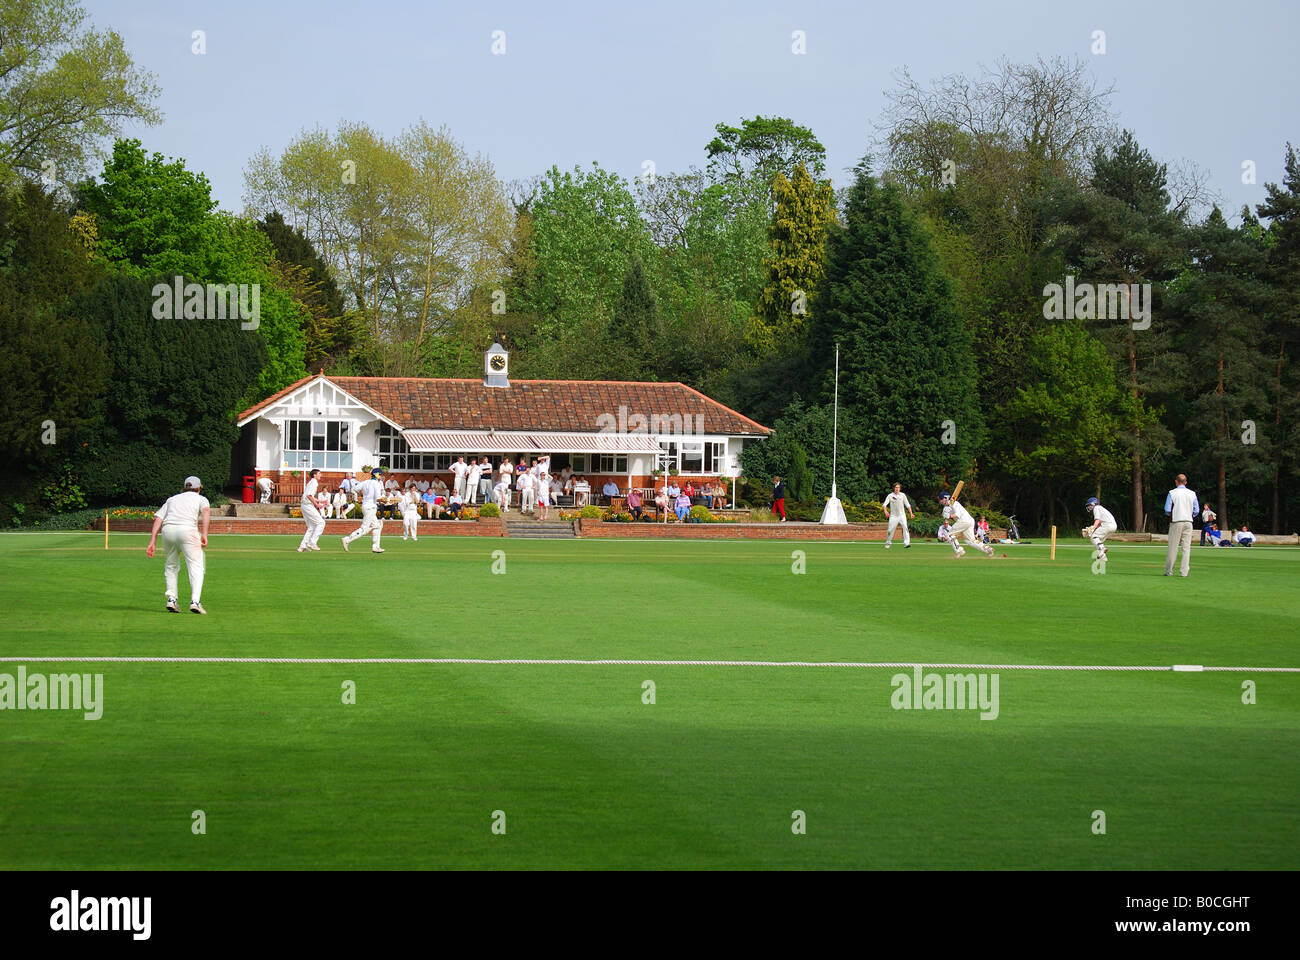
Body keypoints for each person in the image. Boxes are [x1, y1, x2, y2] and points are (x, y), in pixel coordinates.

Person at [147, 475, 211, 614]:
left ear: (185, 487)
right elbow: (206, 511)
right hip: (187, 531)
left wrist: (152, 541)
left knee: (171, 565)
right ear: (199, 488)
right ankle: (195, 602)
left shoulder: (172, 499)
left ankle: (172, 599)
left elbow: (159, 518)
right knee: (196, 566)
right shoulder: (201, 499)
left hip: (168, 531)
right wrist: (205, 534)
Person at [342, 467, 386, 554]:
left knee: (377, 525)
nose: (381, 476)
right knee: (364, 528)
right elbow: (378, 498)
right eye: (380, 474)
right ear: (377, 475)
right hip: (371, 508)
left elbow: (353, 489)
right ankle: (347, 539)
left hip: (366, 506)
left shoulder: (366, 482)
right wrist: (385, 500)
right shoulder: (377, 484)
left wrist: (362, 494)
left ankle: (375, 547)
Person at [939, 490, 994, 558]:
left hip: (963, 520)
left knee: (950, 535)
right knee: (970, 541)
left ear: (946, 498)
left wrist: (949, 516)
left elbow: (957, 515)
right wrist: (946, 515)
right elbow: (947, 515)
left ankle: (959, 550)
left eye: (941, 499)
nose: (940, 501)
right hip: (969, 521)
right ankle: (987, 549)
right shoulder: (947, 507)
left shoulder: (955, 503)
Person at [1164, 474, 1199, 577]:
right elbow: (1196, 510)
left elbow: (1167, 509)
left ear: (1176, 481)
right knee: (1186, 548)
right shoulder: (1192, 494)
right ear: (1186, 482)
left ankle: (1169, 571)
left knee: (1173, 547)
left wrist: (1170, 514)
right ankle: (1184, 572)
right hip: (1188, 521)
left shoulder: (1172, 493)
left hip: (1176, 521)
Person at [298, 468, 328, 552]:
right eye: (319, 473)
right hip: (307, 506)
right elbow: (309, 496)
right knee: (321, 523)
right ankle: (312, 542)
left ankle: (302, 546)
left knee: (311, 527)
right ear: (314, 475)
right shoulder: (314, 482)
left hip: (305, 505)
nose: (320, 475)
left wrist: (320, 501)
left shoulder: (312, 482)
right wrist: (317, 504)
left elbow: (310, 496)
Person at [1083, 497, 1118, 562]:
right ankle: (1103, 557)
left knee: (1094, 537)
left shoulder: (1096, 508)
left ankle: (1102, 549)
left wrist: (1092, 529)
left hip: (1107, 525)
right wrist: (1091, 528)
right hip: (1113, 526)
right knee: (1098, 541)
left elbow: (1097, 520)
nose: (1089, 507)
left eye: (1089, 505)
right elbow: (1099, 523)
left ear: (1093, 504)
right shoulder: (1101, 508)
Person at [881, 482, 915, 549]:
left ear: (900, 488)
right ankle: (888, 543)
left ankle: (906, 543)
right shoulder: (890, 495)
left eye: (898, 487)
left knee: (905, 527)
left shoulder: (903, 495)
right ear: (894, 488)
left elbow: (907, 504)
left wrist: (911, 513)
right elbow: (884, 504)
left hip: (902, 515)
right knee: (890, 530)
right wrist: (885, 511)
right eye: (896, 487)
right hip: (893, 516)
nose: (897, 489)